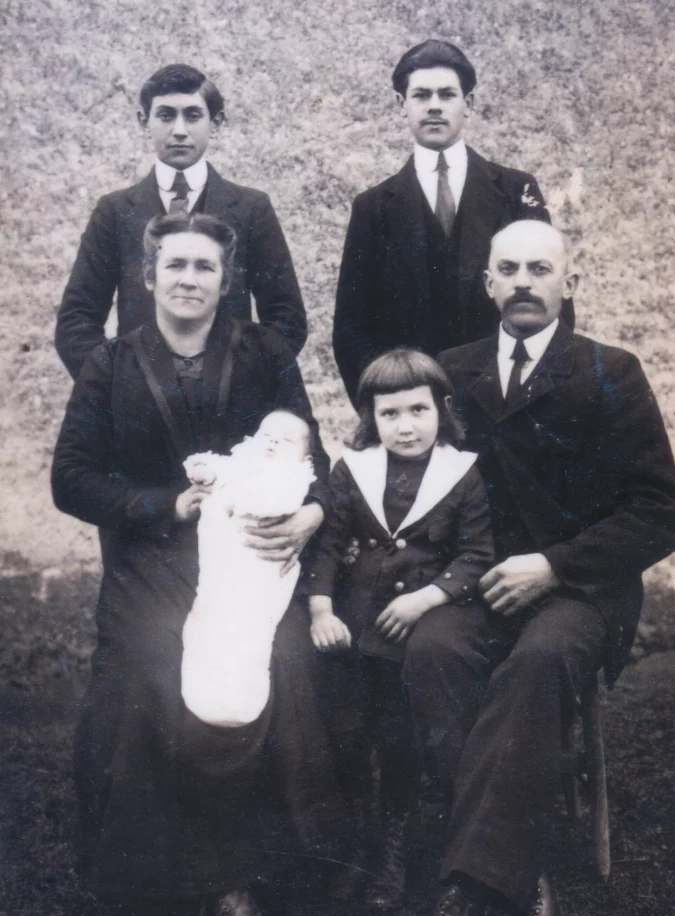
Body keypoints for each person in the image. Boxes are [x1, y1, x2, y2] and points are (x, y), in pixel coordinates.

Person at [396, 220, 675, 916]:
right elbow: (398, 483)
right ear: (486, 284)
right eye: (508, 269)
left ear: (566, 281)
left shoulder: (608, 372)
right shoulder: (450, 375)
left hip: (580, 594)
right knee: (431, 651)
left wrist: (555, 564)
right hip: (474, 591)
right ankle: (531, 903)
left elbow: (659, 513)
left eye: (539, 268)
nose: (523, 281)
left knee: (535, 663)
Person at [51, 212, 337, 916]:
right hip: (152, 558)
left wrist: (310, 514)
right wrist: (163, 504)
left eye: (204, 267)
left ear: (225, 281)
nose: (188, 279)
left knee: (281, 666)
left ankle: (259, 872)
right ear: (147, 278)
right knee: (156, 663)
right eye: (173, 265)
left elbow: (314, 462)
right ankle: (191, 882)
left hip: (247, 555)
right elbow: (72, 480)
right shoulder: (111, 363)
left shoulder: (264, 351)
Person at [304, 349, 494, 909]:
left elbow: (477, 554)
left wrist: (426, 600)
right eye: (390, 414)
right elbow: (328, 545)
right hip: (351, 624)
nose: (405, 426)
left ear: (442, 410)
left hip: (409, 631)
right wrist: (320, 609)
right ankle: (353, 845)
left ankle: (392, 845)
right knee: (346, 734)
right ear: (371, 418)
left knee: (397, 737)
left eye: (418, 410)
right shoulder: (352, 469)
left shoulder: (461, 473)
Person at [332, 39, 574, 404]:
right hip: (415, 410)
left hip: (505, 405)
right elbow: (351, 329)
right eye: (421, 95)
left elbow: (554, 304)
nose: (434, 107)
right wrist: (389, 408)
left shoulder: (515, 190)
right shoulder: (373, 207)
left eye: (447, 94)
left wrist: (531, 399)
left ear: (469, 104)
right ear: (402, 105)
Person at [55, 63, 306, 381]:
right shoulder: (115, 211)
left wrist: (244, 381)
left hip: (229, 405)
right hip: (139, 406)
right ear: (144, 121)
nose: (179, 130)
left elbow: (287, 316)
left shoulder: (250, 208)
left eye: (192, 115)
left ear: (216, 122)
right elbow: (76, 320)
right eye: (165, 115)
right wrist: (116, 385)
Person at [181, 411, 316, 727]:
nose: (273, 444)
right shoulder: (243, 463)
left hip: (260, 562)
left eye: (286, 441)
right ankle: (203, 687)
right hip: (223, 556)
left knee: (249, 625)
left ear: (304, 457)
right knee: (212, 613)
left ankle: (241, 699)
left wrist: (235, 500)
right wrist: (204, 472)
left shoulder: (291, 477)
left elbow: (277, 502)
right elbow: (217, 468)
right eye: (267, 436)